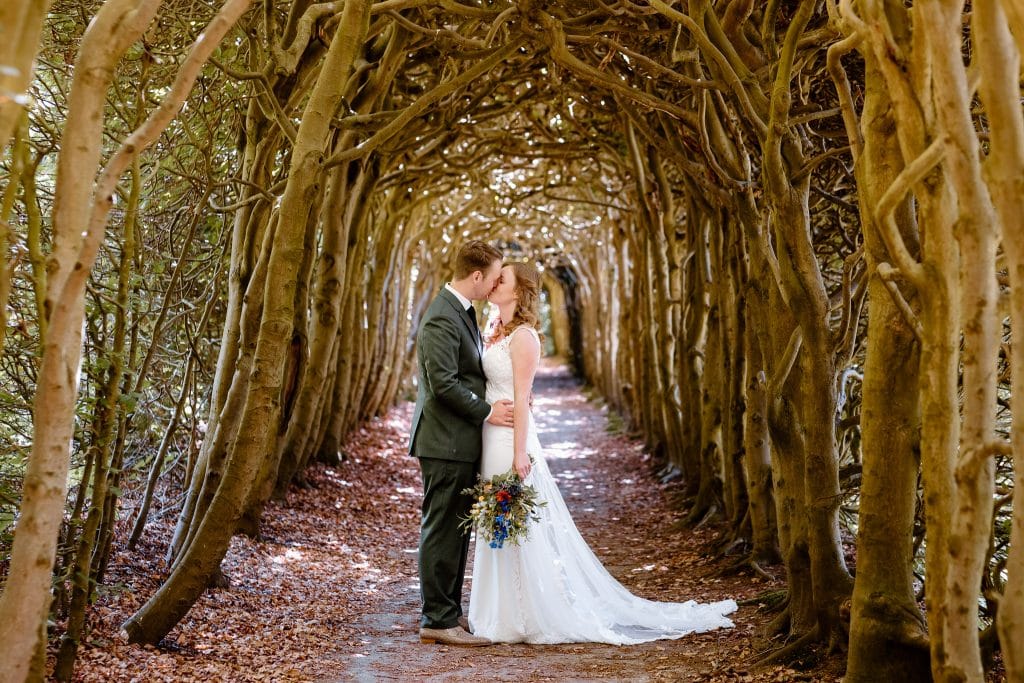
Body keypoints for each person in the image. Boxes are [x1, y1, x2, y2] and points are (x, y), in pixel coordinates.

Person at [467, 261, 738, 644]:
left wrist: (519, 454)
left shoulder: (524, 337)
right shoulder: (493, 329)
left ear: (520, 291)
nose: (494, 282)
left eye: (502, 279)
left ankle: (520, 615)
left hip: (510, 438)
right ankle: (495, 610)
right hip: (489, 433)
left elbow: (523, 400)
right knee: (495, 520)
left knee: (514, 521)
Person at [409, 240, 514, 647]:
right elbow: (443, 385)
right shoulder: (441, 317)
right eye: (494, 277)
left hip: (457, 440)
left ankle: (448, 614)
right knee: (441, 529)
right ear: (476, 275)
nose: (494, 285)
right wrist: (488, 412)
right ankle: (437, 618)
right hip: (444, 441)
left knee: (456, 529)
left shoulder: (462, 311)